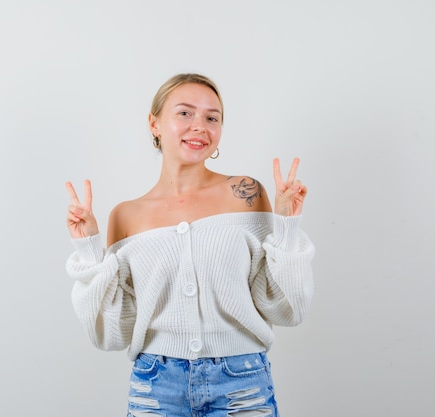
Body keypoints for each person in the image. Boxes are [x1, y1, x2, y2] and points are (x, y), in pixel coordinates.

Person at [65, 73, 314, 417]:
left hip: (241, 383)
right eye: (185, 113)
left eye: (212, 117)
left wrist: (286, 225)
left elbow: (287, 308)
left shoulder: (246, 193)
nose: (200, 126)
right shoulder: (125, 216)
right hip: (155, 387)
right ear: (154, 124)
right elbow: (111, 333)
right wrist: (88, 250)